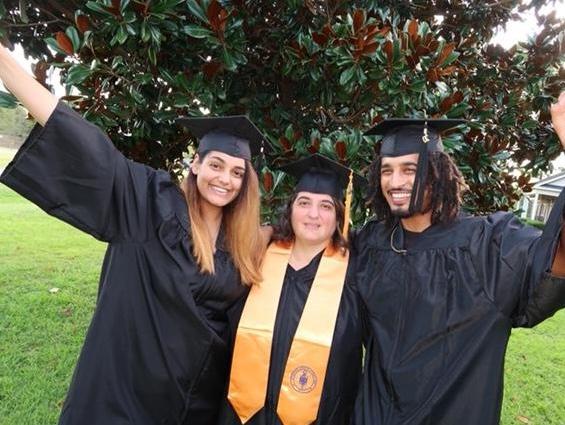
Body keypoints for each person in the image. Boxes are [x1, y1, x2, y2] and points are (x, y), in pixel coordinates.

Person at [0, 44, 269, 425]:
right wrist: (5, 63)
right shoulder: (150, 203)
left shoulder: (239, 241)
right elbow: (90, 148)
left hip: (191, 404)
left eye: (237, 172)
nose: (224, 179)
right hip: (124, 396)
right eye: (216, 164)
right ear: (196, 164)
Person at [353, 96, 565, 425]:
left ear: (437, 174)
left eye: (410, 169)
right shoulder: (370, 244)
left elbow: (553, 263)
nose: (395, 182)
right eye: (387, 170)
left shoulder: (488, 245)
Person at [217, 154, 366, 425]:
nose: (313, 214)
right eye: (304, 202)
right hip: (241, 414)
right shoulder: (257, 259)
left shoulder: (355, 274)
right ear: (290, 209)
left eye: (326, 206)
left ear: (338, 217)